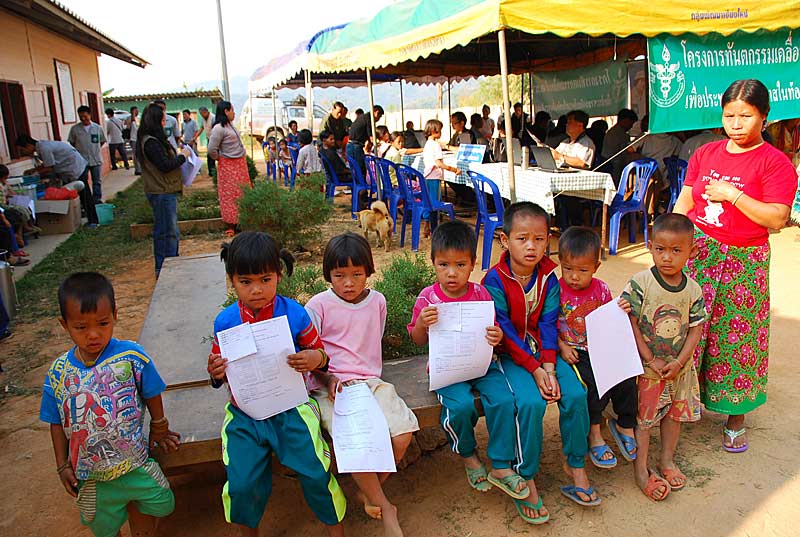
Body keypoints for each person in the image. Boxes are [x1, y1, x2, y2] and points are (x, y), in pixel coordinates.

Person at [674, 79, 797, 454]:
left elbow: (776, 218)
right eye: (730, 116)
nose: (737, 124)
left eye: (746, 116)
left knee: (737, 336)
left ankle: (735, 418)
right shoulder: (705, 154)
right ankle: (682, 403)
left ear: (764, 117)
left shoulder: (775, 163)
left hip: (745, 260)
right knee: (687, 328)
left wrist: (733, 194)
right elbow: (685, 201)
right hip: (700, 252)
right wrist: (673, 243)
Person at [206, 232, 346, 537]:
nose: (256, 289)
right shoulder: (225, 322)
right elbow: (220, 372)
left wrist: (313, 358)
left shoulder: (294, 313)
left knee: (316, 473)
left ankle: (337, 532)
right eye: (245, 281)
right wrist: (216, 372)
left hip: (292, 409)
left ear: (279, 276)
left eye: (265, 279)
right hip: (245, 414)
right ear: (232, 280)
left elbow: (322, 356)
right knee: (242, 485)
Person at [409, 221, 537, 520]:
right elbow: (416, 340)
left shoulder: (481, 295)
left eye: (460, 265)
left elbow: (493, 332)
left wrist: (497, 336)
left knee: (504, 399)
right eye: (443, 265)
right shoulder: (428, 298)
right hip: (447, 368)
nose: (451, 273)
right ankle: (467, 454)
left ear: (472, 264)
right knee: (461, 406)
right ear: (433, 262)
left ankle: (501, 463)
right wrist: (422, 324)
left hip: (482, 364)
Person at [483, 202, 599, 522]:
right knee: (531, 403)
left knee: (575, 393)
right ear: (505, 240)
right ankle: (526, 474)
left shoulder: (548, 276)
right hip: (509, 355)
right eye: (522, 239)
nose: (531, 246)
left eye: (538, 239)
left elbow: (549, 323)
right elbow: (505, 332)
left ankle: (575, 463)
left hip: (542, 351)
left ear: (548, 239)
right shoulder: (494, 280)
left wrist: (548, 367)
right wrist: (535, 371)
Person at [39, 272, 180, 536]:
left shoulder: (132, 356)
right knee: (103, 526)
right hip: (90, 476)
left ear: (115, 315)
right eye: (81, 327)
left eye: (103, 323)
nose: (93, 334)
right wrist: (62, 465)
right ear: (64, 324)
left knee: (158, 504)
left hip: (135, 463)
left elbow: (152, 391)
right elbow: (55, 421)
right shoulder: (58, 373)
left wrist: (160, 426)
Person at [307, 233, 417, 537]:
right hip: (332, 387)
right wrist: (328, 377)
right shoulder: (318, 306)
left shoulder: (377, 301)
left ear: (368, 271)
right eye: (339, 275)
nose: (348, 283)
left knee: (402, 434)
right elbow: (310, 354)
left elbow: (372, 340)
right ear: (328, 274)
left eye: (357, 274)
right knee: (354, 444)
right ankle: (386, 507)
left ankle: (369, 491)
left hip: (370, 382)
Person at [620, 214, 708, 500]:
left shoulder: (693, 289)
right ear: (650, 246)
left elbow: (695, 329)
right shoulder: (641, 282)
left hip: (679, 369)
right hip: (648, 370)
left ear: (692, 251)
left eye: (676, 250)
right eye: (660, 249)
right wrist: (649, 358)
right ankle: (641, 469)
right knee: (644, 420)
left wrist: (680, 362)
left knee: (673, 416)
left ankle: (666, 461)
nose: (667, 257)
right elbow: (630, 321)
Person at [557, 227, 638, 469]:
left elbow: (608, 317)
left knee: (627, 375)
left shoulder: (601, 289)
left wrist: (620, 309)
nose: (574, 276)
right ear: (560, 263)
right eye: (568, 268)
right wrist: (562, 346)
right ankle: (594, 432)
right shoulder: (555, 290)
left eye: (583, 270)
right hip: (575, 351)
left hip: (600, 346)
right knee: (591, 385)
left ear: (596, 267)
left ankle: (625, 423)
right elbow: (546, 324)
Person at [136, 104, 190, 276]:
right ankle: (166, 268)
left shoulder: (151, 140)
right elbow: (165, 165)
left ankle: (170, 264)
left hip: (163, 190)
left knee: (168, 230)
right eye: (162, 120)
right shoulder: (151, 142)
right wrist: (183, 157)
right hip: (161, 191)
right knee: (167, 231)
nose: (164, 123)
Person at [15, 134, 98, 226]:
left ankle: (93, 221)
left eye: (22, 150)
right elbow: (47, 164)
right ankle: (78, 219)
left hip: (76, 168)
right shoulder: (42, 147)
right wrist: (33, 170)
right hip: (70, 169)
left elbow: (49, 168)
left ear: (28, 145)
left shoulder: (44, 148)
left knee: (85, 196)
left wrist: (35, 173)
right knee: (72, 195)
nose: (23, 153)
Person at [208, 100, 249, 237]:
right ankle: (231, 225)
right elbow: (211, 149)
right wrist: (221, 159)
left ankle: (242, 222)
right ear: (226, 111)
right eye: (232, 110)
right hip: (228, 166)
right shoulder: (218, 128)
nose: (234, 113)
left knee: (241, 192)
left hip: (239, 165)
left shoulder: (230, 126)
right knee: (229, 194)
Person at [422, 119, 461, 238]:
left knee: (428, 202)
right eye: (440, 130)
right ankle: (434, 230)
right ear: (434, 131)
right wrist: (453, 169)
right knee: (435, 204)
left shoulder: (427, 144)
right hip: (434, 177)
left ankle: (427, 226)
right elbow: (438, 163)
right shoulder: (436, 145)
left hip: (427, 176)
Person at [69, 106, 107, 202]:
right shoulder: (75, 129)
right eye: (80, 117)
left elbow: (102, 141)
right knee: (83, 181)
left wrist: (94, 149)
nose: (83, 119)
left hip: (96, 159)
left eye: (85, 116)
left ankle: (97, 199)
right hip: (82, 160)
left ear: (90, 115)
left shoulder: (97, 128)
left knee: (97, 181)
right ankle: (86, 200)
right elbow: (72, 142)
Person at [442, 112, 476, 203]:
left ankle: (468, 196)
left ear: (462, 123)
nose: (453, 126)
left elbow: (464, 149)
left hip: (467, 164)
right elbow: (450, 146)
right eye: (452, 123)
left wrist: (448, 147)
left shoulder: (467, 134)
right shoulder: (455, 135)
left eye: (455, 123)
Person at [600, 108, 638, 183]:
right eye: (631, 123)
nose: (631, 126)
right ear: (625, 120)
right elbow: (626, 152)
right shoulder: (618, 134)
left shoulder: (614, 132)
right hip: (613, 165)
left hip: (613, 164)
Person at [347, 105, 384, 174]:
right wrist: (377, 144)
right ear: (376, 112)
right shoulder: (369, 119)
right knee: (360, 170)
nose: (378, 119)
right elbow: (371, 137)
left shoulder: (363, 117)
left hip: (353, 145)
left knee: (356, 170)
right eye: (379, 116)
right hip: (355, 146)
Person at [105, 108, 129, 172]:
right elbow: (122, 128)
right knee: (123, 153)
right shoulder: (119, 121)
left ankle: (114, 166)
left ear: (108, 114)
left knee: (112, 155)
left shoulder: (108, 122)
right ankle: (126, 164)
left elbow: (107, 131)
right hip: (120, 139)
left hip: (112, 141)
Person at [199, 106, 216, 175]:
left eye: (203, 113)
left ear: (206, 112)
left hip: (214, 139)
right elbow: (201, 128)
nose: (202, 115)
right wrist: (195, 138)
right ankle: (211, 171)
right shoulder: (203, 119)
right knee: (209, 155)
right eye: (200, 114)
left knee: (213, 154)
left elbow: (215, 129)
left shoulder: (213, 118)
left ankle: (213, 171)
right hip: (209, 139)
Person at [128, 106, 142, 175]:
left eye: (137, 111)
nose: (137, 112)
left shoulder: (138, 118)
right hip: (133, 138)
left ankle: (140, 168)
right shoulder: (129, 118)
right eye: (135, 111)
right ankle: (138, 170)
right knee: (136, 154)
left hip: (139, 138)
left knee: (139, 154)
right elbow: (129, 126)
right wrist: (132, 116)